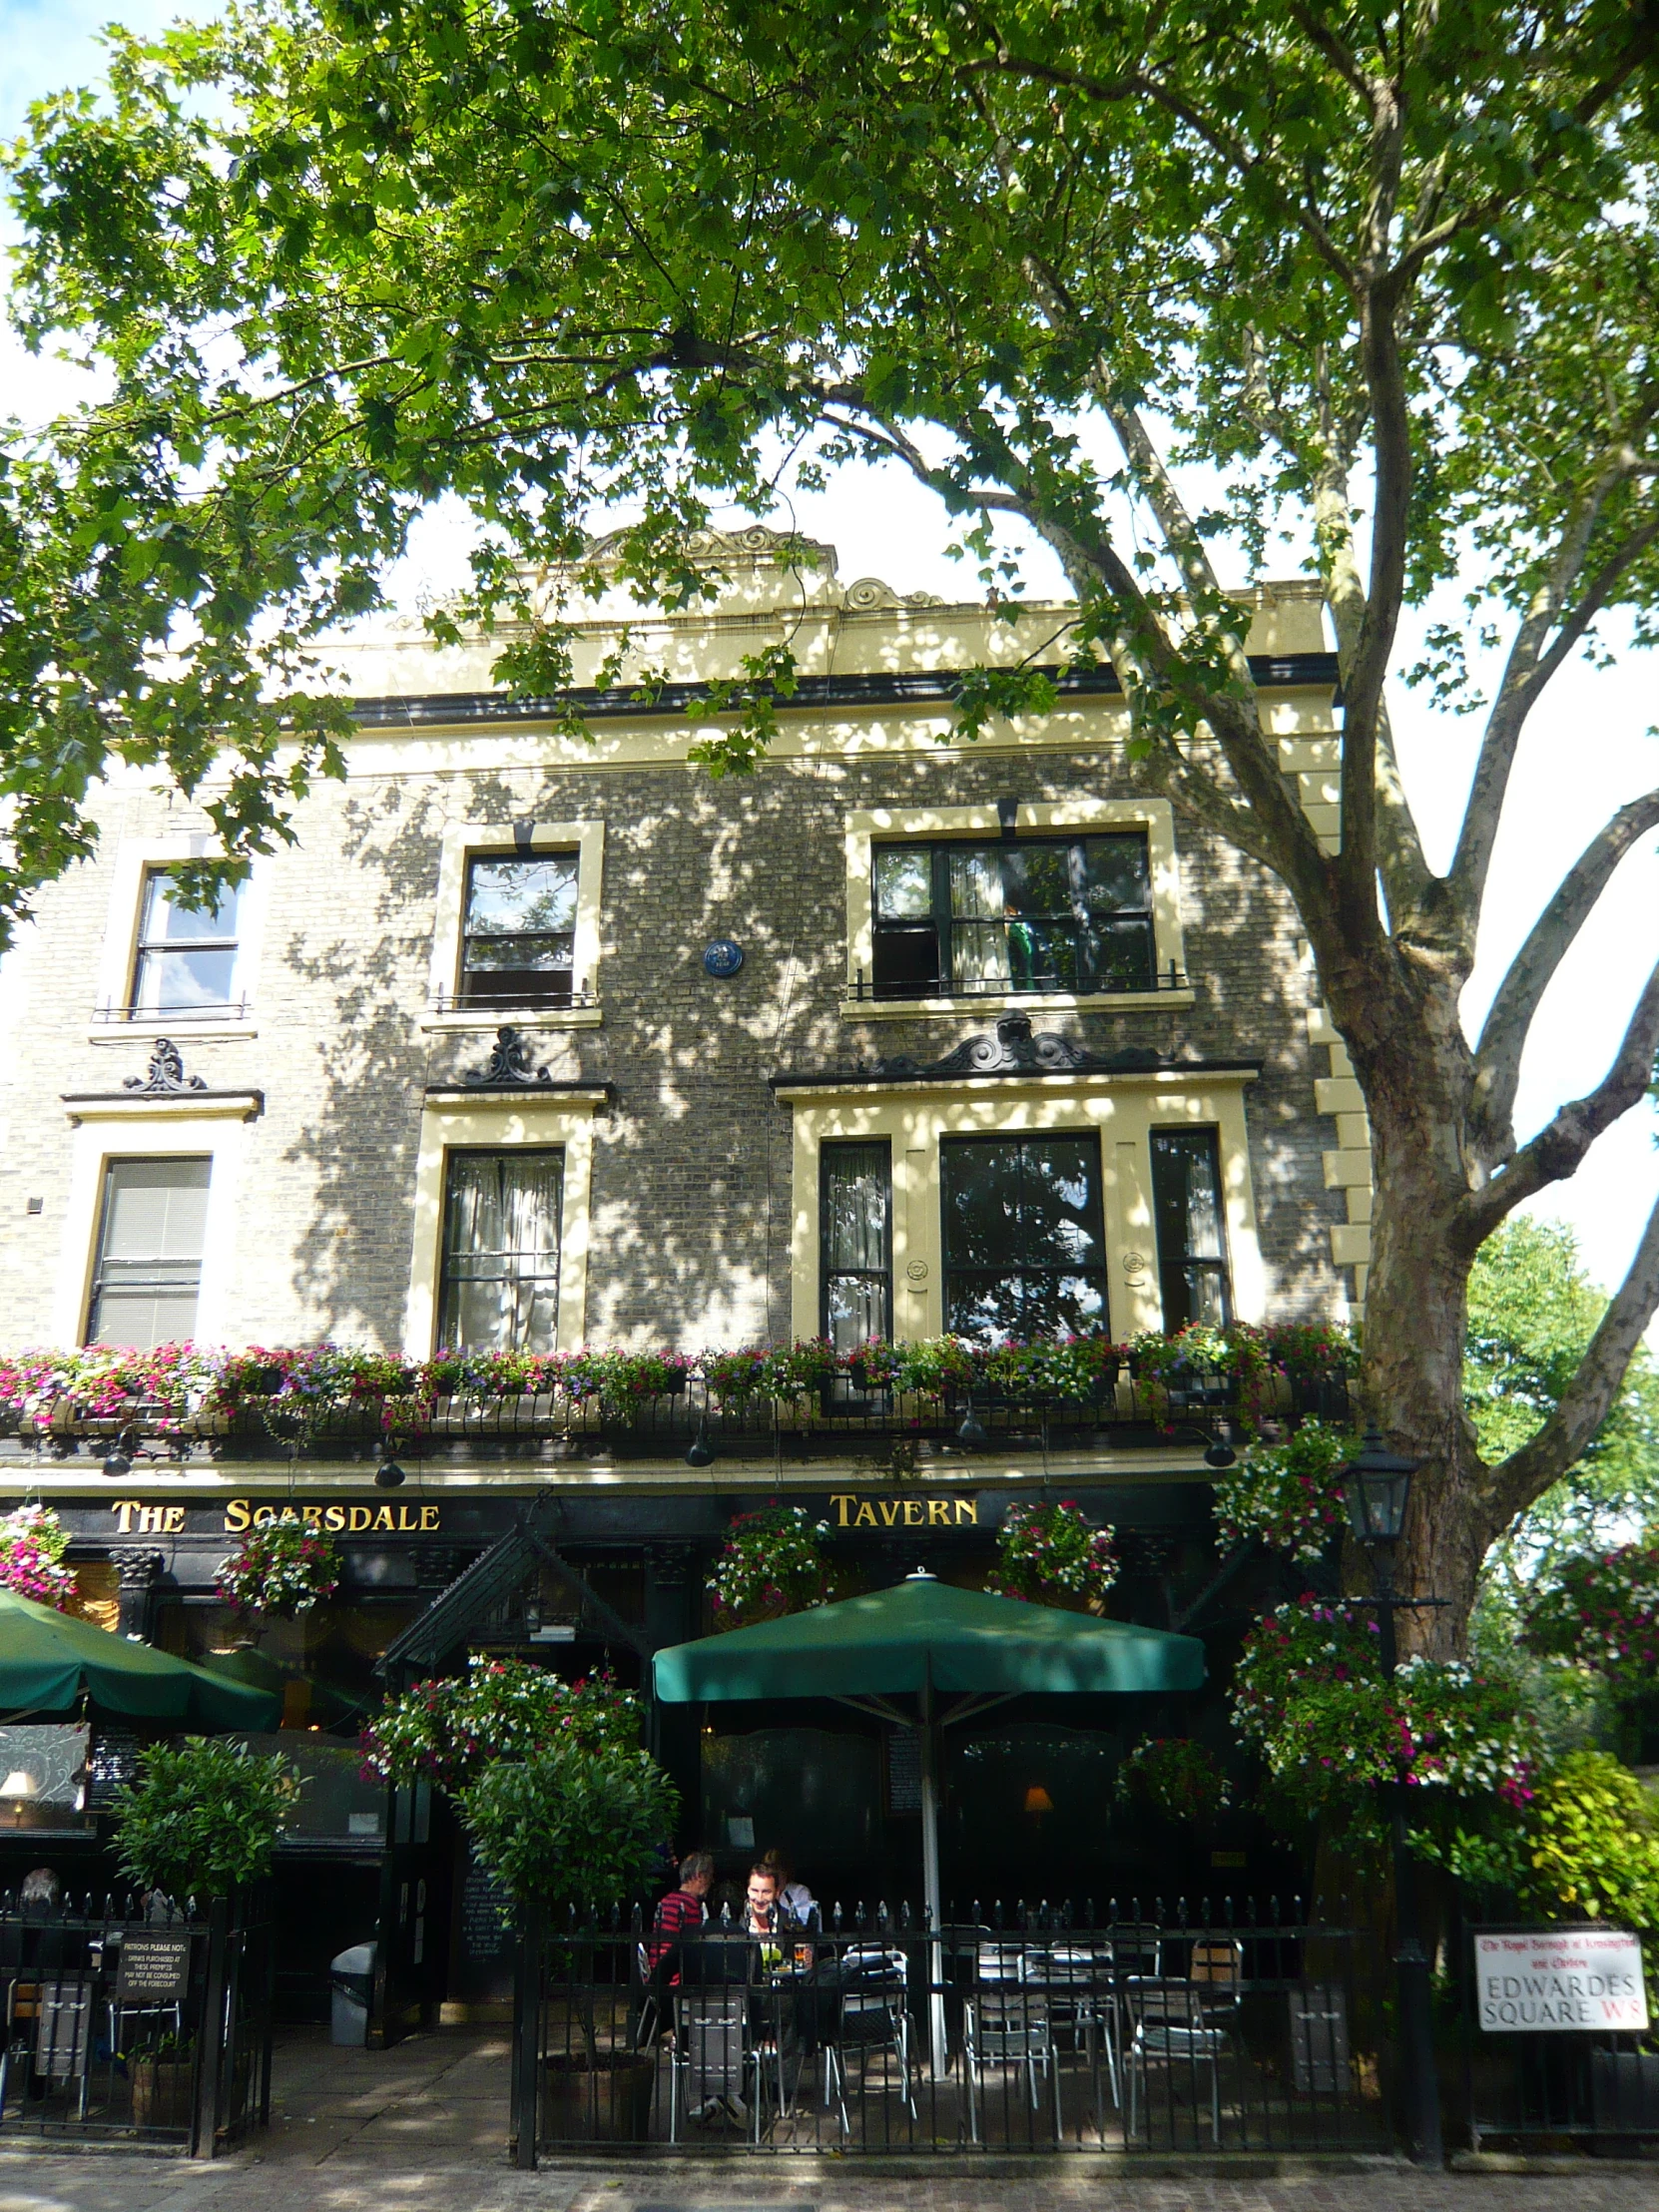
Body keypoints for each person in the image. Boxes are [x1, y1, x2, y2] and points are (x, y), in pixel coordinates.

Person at [648, 1849, 713, 1976]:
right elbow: (695, 1947)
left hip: (658, 1974)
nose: (711, 1881)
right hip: (678, 1979)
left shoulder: (666, 1900)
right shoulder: (690, 1904)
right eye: (709, 1876)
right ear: (700, 1876)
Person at [759, 1849, 817, 1927]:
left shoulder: (800, 1892)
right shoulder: (759, 1892)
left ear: (786, 1871)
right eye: (770, 1872)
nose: (774, 1877)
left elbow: (805, 1924)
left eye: (777, 1870)